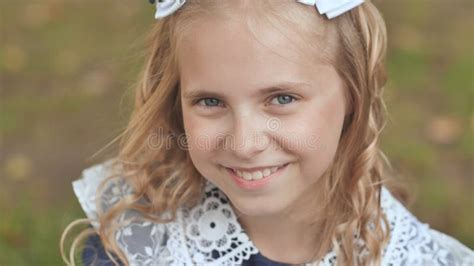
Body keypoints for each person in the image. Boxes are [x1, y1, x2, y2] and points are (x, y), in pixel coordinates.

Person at [61, 0, 474, 265]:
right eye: (210, 102)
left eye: (281, 99)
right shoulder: (134, 243)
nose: (244, 143)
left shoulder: (411, 257)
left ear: (354, 95)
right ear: (176, 101)